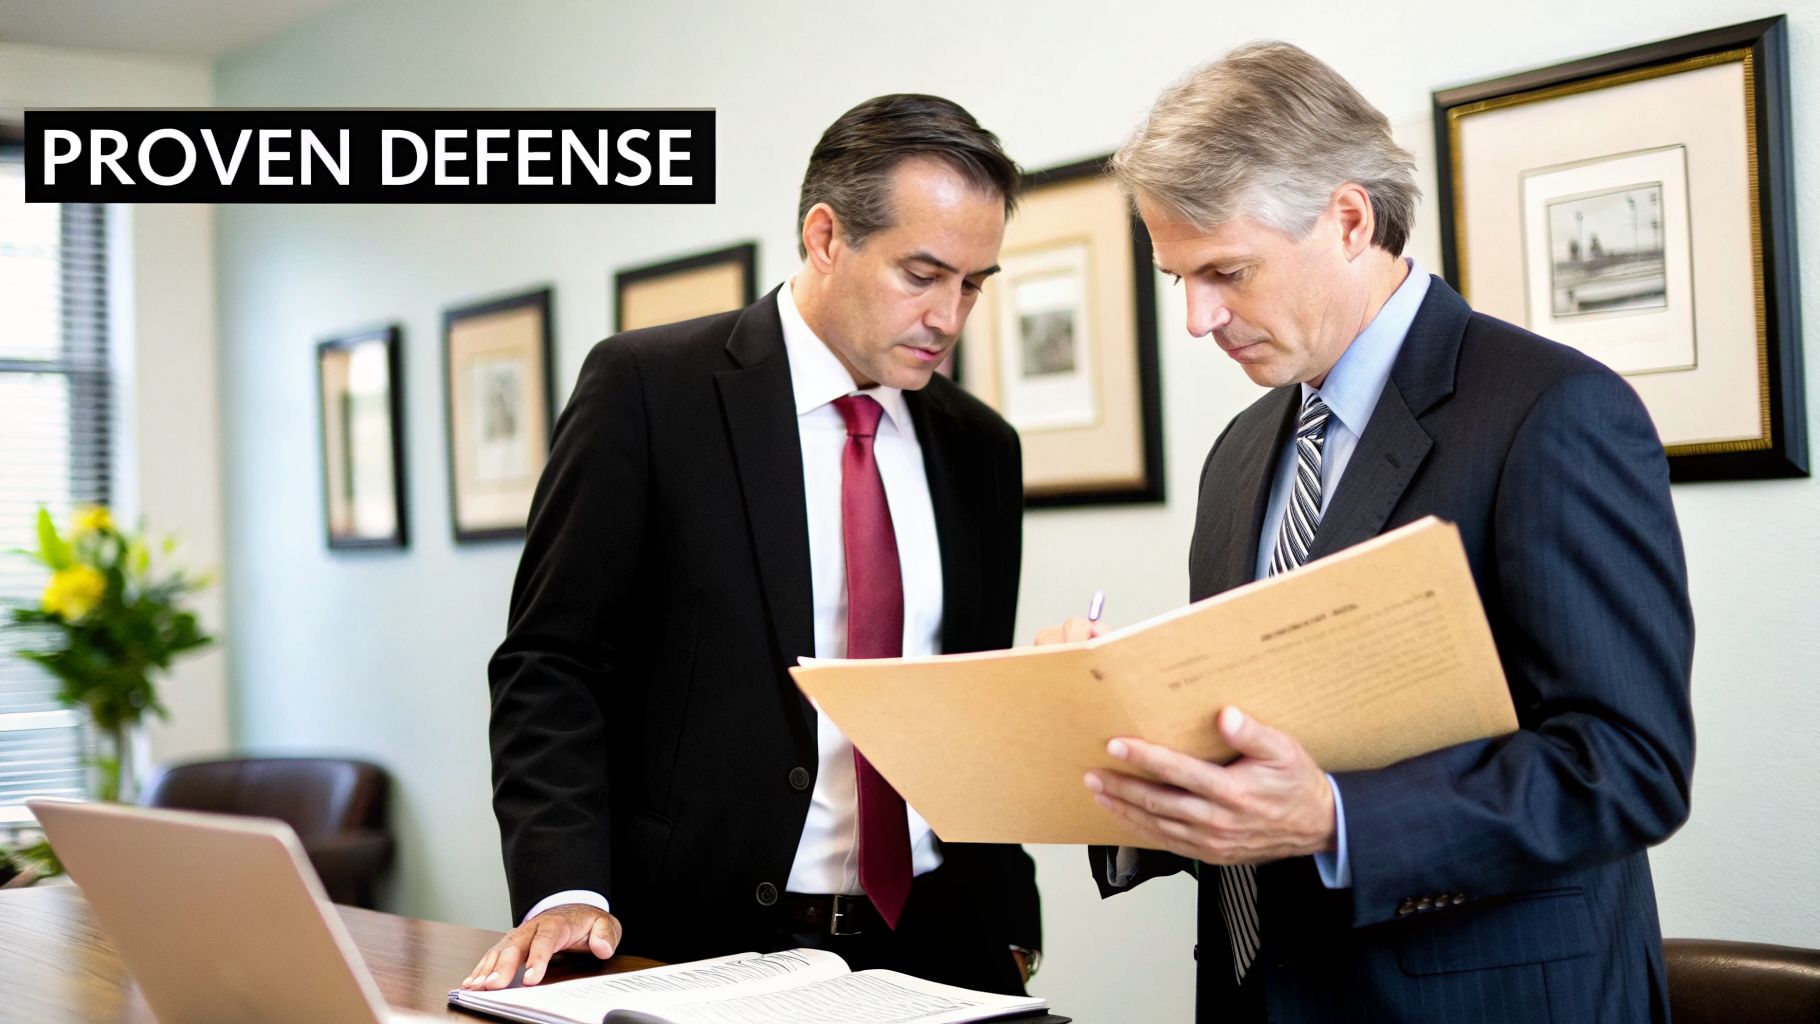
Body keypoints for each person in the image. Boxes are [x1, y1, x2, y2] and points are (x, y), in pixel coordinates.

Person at [1040, 42, 1694, 1023]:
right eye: (1176, 276)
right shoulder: (1237, 453)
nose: (1195, 317)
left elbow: (1628, 765)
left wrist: (1336, 817)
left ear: (1347, 219)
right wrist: (1113, 719)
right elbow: (1258, 745)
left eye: (1224, 271)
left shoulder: (1553, 412)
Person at [464, 93, 1041, 997]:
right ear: (825, 236)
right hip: (702, 941)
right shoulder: (650, 392)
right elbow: (550, 664)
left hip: (939, 944)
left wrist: (1013, 915)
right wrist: (564, 886)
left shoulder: (981, 449)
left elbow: (963, 690)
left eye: (973, 284)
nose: (949, 316)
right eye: (921, 274)